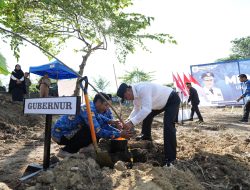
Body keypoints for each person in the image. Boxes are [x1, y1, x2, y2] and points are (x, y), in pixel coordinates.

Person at [116, 82, 180, 167]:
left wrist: (131, 123)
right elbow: (136, 109)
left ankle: (170, 158)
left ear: (128, 90)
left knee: (168, 125)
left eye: (126, 97)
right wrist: (127, 121)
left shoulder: (143, 89)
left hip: (171, 99)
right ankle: (146, 136)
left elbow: (146, 109)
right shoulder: (135, 97)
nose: (127, 99)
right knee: (146, 115)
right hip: (157, 104)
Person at [52, 93, 132, 157]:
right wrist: (119, 134)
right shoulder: (87, 109)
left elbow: (102, 121)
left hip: (68, 133)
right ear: (98, 102)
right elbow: (98, 131)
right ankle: (66, 151)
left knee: (94, 129)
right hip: (61, 135)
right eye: (106, 105)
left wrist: (113, 123)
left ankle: (84, 147)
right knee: (90, 131)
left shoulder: (94, 109)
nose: (107, 108)